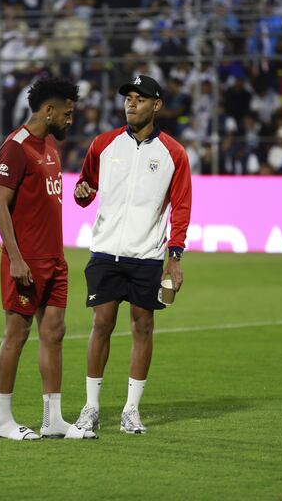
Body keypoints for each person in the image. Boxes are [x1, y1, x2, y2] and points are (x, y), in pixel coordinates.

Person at [73, 75, 192, 435]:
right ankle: (91, 408)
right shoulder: (103, 144)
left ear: (156, 105)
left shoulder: (174, 153)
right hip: (106, 251)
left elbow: (181, 206)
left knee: (143, 327)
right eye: (128, 98)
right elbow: (86, 188)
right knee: (101, 325)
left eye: (139, 99)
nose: (131, 104)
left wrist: (175, 255)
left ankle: (131, 410)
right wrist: (82, 193)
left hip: (147, 255)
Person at [0, 77, 95, 441]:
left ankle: (53, 419)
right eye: (66, 114)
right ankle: (2, 420)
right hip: (25, 262)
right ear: (48, 110)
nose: (71, 120)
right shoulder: (16, 147)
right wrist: (16, 259)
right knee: (16, 334)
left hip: (55, 258)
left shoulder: (50, 146)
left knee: (54, 333)